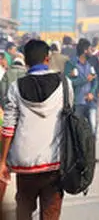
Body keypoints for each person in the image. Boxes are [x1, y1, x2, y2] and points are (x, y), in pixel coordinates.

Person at [0, 40, 73, 220]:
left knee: (24, 210)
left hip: (25, 165)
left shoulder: (16, 88)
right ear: (47, 59)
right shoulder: (65, 84)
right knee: (50, 212)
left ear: (26, 62)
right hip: (54, 163)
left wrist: (3, 161)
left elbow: (8, 127)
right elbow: (70, 119)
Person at [65, 40, 99, 139]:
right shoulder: (71, 63)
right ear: (85, 50)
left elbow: (95, 80)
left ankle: (91, 152)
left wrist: (92, 92)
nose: (92, 50)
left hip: (91, 102)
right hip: (77, 102)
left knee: (92, 128)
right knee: (77, 131)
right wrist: (84, 80)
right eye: (90, 49)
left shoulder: (91, 63)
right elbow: (68, 82)